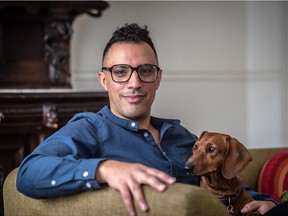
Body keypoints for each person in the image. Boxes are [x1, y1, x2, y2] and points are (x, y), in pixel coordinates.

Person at [17, 23, 277, 216]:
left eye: (145, 71)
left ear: (158, 78)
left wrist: (265, 202)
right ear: (103, 80)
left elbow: (223, 184)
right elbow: (28, 174)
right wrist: (104, 168)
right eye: (121, 72)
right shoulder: (90, 128)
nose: (135, 83)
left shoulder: (180, 135)